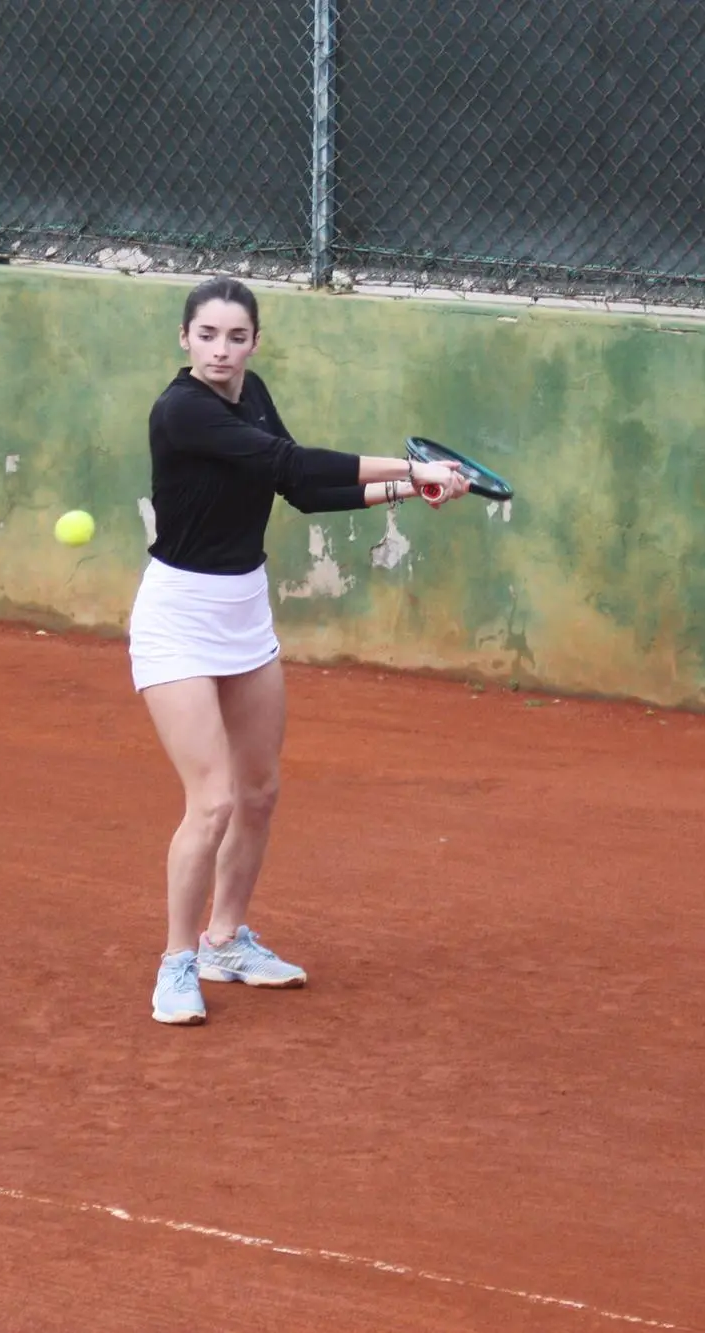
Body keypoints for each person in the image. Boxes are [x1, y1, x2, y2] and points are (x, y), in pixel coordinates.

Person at [131, 277, 470, 1026]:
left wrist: (411, 495)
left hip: (243, 612)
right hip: (178, 618)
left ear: (255, 341)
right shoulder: (181, 410)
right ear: (183, 338)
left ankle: (225, 941)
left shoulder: (252, 395)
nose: (221, 350)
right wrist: (409, 468)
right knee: (212, 798)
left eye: (236, 337)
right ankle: (176, 962)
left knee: (258, 791)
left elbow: (304, 492)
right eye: (208, 335)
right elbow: (292, 466)